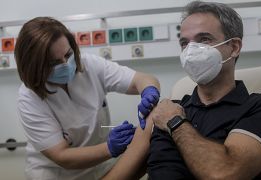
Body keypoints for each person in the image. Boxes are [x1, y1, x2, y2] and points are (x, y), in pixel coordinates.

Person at [147, 1, 261, 180]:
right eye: (184, 43)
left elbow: (225, 173)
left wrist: (175, 123)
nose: (190, 51)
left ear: (234, 47)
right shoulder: (168, 109)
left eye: (204, 39)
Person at [14, 17, 160, 180]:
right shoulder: (28, 98)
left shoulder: (89, 65)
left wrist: (150, 91)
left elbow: (142, 79)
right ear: (35, 66)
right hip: (56, 174)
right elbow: (62, 156)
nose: (65, 63)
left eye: (68, 54)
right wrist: (110, 148)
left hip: (101, 166)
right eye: (54, 63)